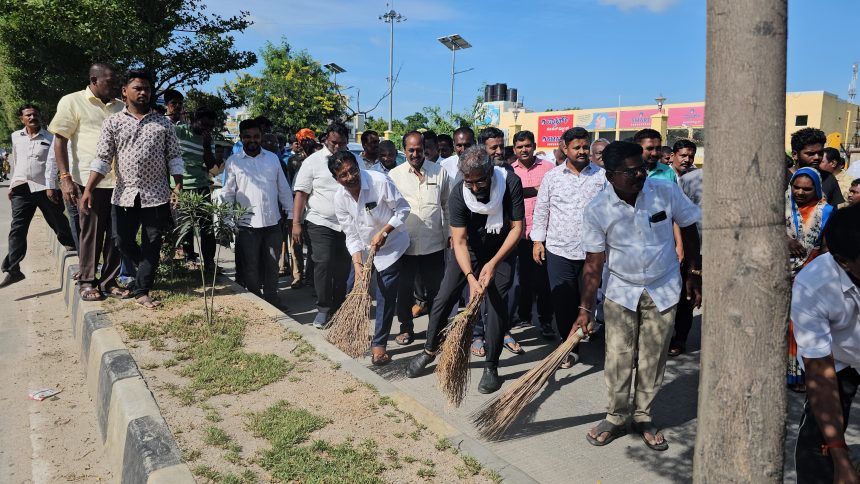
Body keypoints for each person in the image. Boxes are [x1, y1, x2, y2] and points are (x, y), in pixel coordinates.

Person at [578, 141, 701, 451]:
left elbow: (688, 227)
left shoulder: (664, 191)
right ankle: (616, 417)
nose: (639, 175)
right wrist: (584, 308)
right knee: (618, 357)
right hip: (620, 290)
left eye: (642, 168)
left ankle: (643, 415)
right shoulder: (596, 209)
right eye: (630, 171)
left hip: (664, 287)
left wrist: (694, 273)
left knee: (653, 356)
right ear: (610, 176)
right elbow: (593, 265)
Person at [405, 146, 525, 394]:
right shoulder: (460, 193)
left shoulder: (510, 183)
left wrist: (492, 264)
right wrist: (471, 277)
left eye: (480, 181)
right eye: (469, 182)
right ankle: (429, 350)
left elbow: (516, 229)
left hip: (501, 250)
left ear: (491, 172)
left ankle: (491, 365)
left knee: (495, 306)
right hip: (469, 249)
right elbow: (458, 240)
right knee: (443, 297)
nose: (475, 187)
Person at [80, 70, 184, 309]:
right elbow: (103, 159)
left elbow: (174, 157)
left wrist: (177, 185)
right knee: (120, 240)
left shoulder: (163, 125)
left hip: (156, 194)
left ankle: (142, 290)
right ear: (124, 92)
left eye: (146, 88)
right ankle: (145, 273)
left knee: (152, 242)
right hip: (124, 194)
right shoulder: (113, 122)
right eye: (137, 88)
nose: (143, 92)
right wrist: (88, 189)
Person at [790, 204, 860, 484]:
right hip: (840, 361)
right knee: (818, 446)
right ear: (844, 262)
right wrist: (839, 456)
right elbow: (820, 371)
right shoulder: (813, 285)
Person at [49, 63, 125, 301]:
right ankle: (87, 281)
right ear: (94, 79)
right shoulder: (71, 101)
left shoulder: (121, 107)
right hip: (87, 182)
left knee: (117, 235)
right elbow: (60, 141)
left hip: (121, 183)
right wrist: (65, 178)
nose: (115, 86)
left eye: (116, 82)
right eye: (110, 81)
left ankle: (109, 280)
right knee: (91, 234)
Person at [532, 127, 607, 366]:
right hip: (559, 249)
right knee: (563, 301)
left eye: (586, 147)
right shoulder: (552, 177)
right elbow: (541, 210)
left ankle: (585, 328)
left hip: (592, 252)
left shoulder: (601, 177)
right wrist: (537, 241)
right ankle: (569, 346)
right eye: (577, 147)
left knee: (587, 297)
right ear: (565, 148)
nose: (583, 151)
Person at [332, 151, 410, 364]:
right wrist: (358, 264)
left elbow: (403, 209)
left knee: (385, 293)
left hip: (391, 245)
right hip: (365, 248)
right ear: (336, 179)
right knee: (352, 288)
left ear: (358, 167)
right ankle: (351, 334)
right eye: (343, 175)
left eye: (352, 170)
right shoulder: (339, 198)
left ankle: (379, 345)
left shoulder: (379, 181)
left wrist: (385, 232)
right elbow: (351, 234)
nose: (350, 177)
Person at [1, 104, 76, 288]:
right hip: (22, 188)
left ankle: (73, 247)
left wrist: (52, 186)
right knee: (17, 228)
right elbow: (18, 161)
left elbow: (55, 162)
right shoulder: (16, 137)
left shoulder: (50, 137)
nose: (32, 117)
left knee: (57, 219)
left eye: (35, 114)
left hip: (46, 187)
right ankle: (13, 269)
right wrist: (12, 185)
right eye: (28, 115)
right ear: (22, 119)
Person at [388, 131, 450, 345]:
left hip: (434, 244)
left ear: (425, 148)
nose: (415, 154)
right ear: (404, 150)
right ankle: (406, 328)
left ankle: (436, 331)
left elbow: (447, 205)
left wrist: (450, 233)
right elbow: (389, 209)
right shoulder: (394, 176)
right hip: (404, 245)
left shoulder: (439, 172)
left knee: (436, 292)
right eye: (410, 150)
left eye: (419, 149)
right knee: (404, 290)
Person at [222, 119, 294, 304]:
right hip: (246, 225)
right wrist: (229, 221)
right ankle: (257, 300)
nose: (252, 140)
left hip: (272, 222)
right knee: (250, 267)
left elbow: (283, 189)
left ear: (261, 137)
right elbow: (228, 194)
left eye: (256, 136)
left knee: (272, 264)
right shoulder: (234, 162)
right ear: (241, 138)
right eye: (248, 137)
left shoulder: (272, 159)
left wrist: (292, 214)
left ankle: (272, 298)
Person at [292, 122, 351, 328]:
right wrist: (296, 223)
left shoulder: (351, 161)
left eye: (342, 144)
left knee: (342, 269)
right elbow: (301, 193)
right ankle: (323, 309)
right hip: (320, 222)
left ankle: (338, 307)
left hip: (346, 225)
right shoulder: (313, 162)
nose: (338, 147)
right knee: (323, 263)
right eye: (334, 143)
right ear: (326, 139)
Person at [786, 167, 835, 392]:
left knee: (803, 327)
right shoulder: (780, 208)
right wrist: (784, 239)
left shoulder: (826, 212)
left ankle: (801, 375)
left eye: (807, 189)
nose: (800, 192)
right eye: (796, 187)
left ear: (816, 188)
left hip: (811, 276)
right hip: (780, 274)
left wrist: (815, 272)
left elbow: (827, 248)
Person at [510, 130, 554, 347]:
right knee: (522, 279)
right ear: (514, 149)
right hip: (519, 234)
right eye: (519, 147)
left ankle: (546, 321)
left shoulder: (548, 169)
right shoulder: (510, 171)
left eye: (527, 145)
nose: (524, 150)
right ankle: (524, 316)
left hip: (543, 234)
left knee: (543, 281)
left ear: (534, 146)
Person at [175, 108, 220, 269]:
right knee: (186, 226)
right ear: (194, 119)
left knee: (207, 227)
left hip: (201, 186)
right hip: (182, 186)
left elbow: (211, 166)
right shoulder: (180, 131)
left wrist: (207, 146)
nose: (206, 129)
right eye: (204, 124)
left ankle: (209, 261)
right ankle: (189, 258)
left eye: (210, 127)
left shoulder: (209, 140)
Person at [669, 150, 704, 357]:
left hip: (722, 250)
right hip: (691, 246)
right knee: (685, 294)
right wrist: (680, 246)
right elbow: (679, 217)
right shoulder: (690, 180)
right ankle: (678, 337)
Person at [790, 128, 844, 207]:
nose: (817, 157)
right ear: (795, 154)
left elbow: (834, 213)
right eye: (810, 153)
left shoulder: (828, 178)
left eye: (820, 153)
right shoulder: (783, 178)